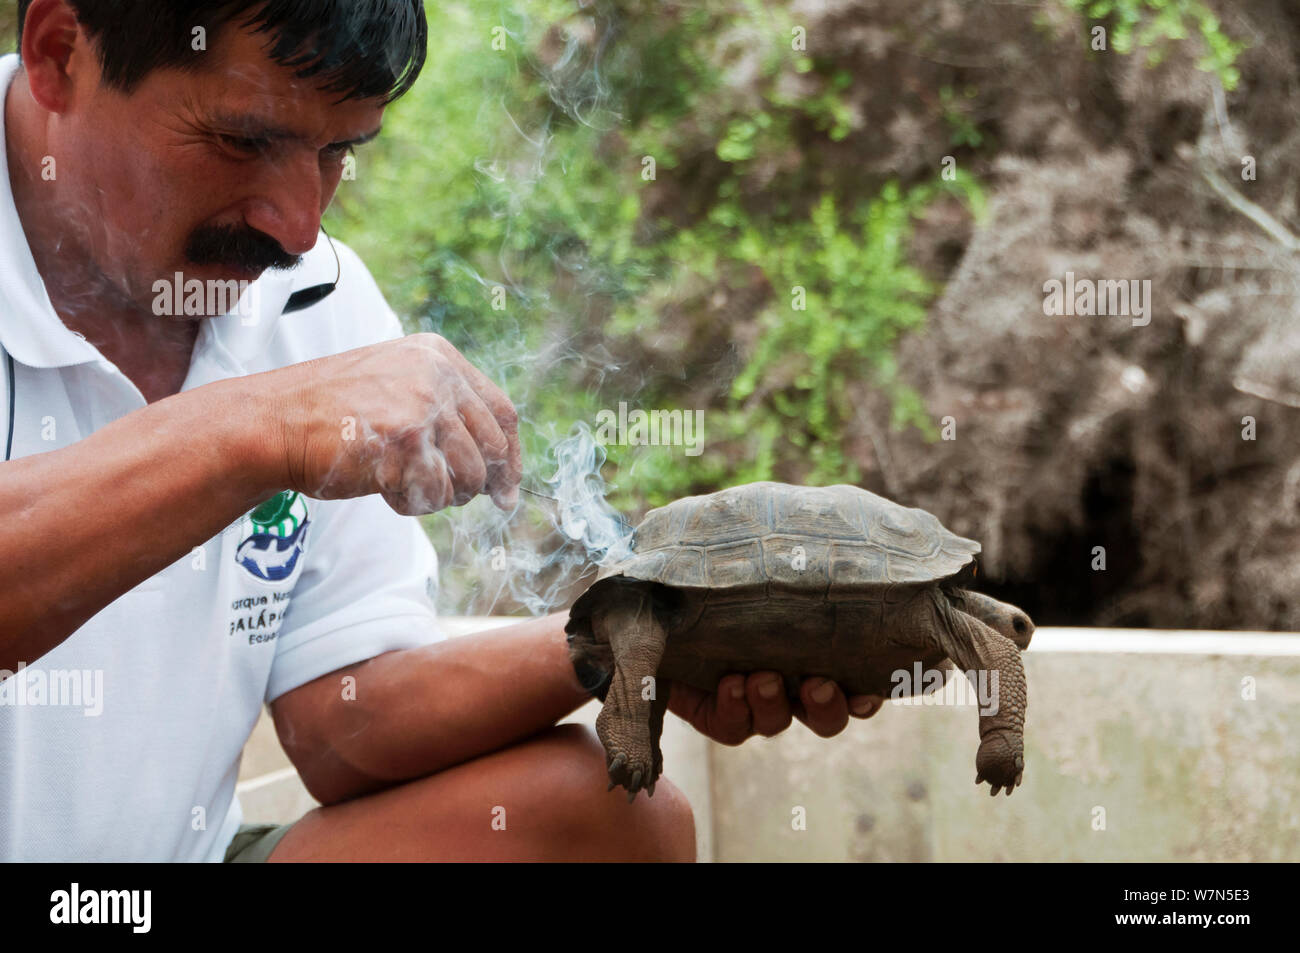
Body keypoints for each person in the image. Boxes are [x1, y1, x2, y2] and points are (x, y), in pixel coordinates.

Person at [0, 0, 884, 862]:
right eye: (243, 140)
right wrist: (258, 426)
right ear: (59, 51)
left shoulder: (321, 302)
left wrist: (627, 635)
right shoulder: (293, 392)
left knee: (606, 816)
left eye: (338, 151)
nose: (300, 228)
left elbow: (341, 724)